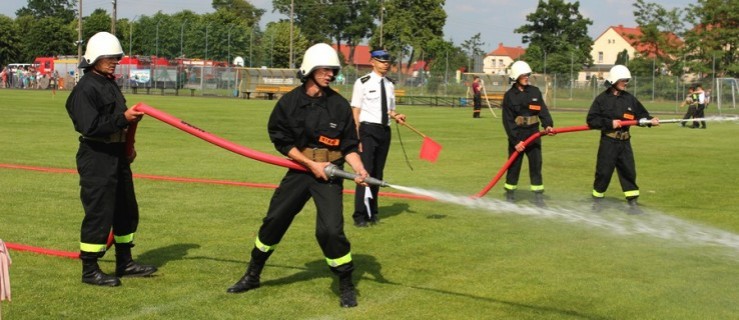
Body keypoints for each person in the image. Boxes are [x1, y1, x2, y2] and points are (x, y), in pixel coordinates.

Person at [227, 43, 369, 308]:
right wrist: (309, 164)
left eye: (333, 71)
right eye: (326, 70)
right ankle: (253, 274)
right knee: (274, 220)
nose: (330, 75)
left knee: (330, 231)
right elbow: (280, 140)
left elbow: (349, 145)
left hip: (331, 173)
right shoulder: (290, 103)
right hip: (300, 169)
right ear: (310, 70)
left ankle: (346, 284)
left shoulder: (339, 106)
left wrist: (359, 169)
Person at [65, 31, 157, 287]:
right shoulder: (86, 88)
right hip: (97, 156)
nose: (115, 61)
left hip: (117, 155)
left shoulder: (108, 83)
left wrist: (128, 143)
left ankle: (125, 262)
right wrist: (123, 119)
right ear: (94, 57)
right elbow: (90, 126)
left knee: (126, 210)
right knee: (99, 213)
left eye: (117, 57)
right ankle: (90, 270)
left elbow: (118, 120)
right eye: (110, 57)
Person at [587, 65, 659, 214]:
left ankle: (633, 204)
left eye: (627, 80)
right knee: (603, 173)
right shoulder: (602, 99)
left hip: (625, 142)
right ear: (614, 80)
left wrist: (650, 120)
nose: (626, 82)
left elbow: (641, 115)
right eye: (623, 80)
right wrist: (609, 123)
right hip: (608, 141)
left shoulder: (629, 99)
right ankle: (597, 202)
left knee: (628, 172)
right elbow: (591, 120)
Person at [350, 48, 406, 227]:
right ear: (372, 61)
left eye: (388, 62)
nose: (386, 65)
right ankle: (359, 215)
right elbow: (356, 110)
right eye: (382, 61)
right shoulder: (362, 82)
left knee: (378, 173)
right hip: (367, 131)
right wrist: (356, 136)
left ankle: (372, 212)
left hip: (384, 131)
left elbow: (388, 109)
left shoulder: (390, 84)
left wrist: (396, 115)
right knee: (365, 172)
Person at [501, 61, 554, 207]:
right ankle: (510, 194)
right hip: (518, 135)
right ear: (516, 76)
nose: (527, 77)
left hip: (533, 133)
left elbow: (542, 111)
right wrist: (515, 141)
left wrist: (548, 125)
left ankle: (538, 196)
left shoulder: (535, 92)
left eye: (528, 75)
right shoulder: (509, 96)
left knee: (536, 165)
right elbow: (507, 121)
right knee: (514, 165)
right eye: (524, 75)